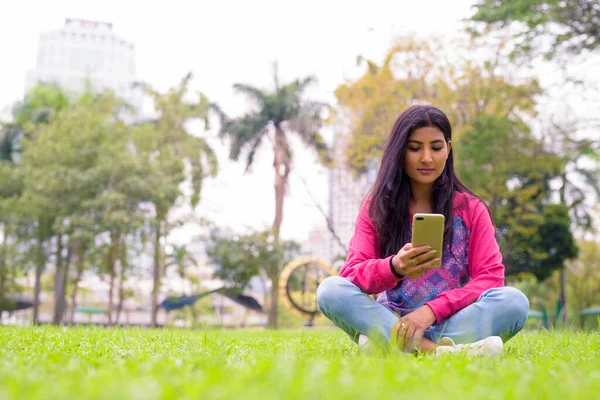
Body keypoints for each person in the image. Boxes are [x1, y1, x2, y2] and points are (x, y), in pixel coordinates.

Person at [316, 104, 529, 356]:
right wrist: (394, 266)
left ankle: (389, 346)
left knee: (514, 302)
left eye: (436, 148)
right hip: (393, 318)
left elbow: (490, 278)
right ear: (400, 151)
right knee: (330, 290)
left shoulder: (471, 209)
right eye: (415, 148)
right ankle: (440, 351)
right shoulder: (377, 208)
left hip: (452, 319)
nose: (426, 158)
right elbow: (352, 274)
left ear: (448, 150)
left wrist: (430, 311)